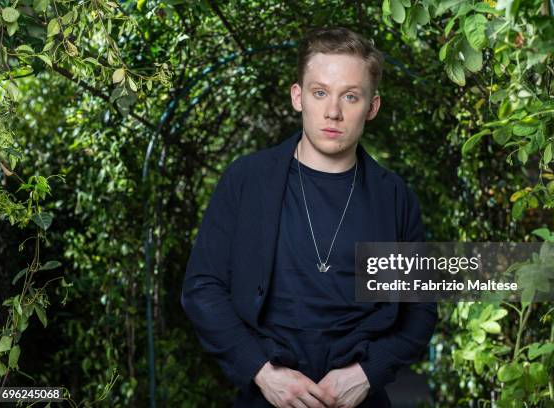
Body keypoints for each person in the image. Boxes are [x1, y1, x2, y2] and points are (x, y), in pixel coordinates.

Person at [181, 26, 438, 408]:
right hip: (266, 396)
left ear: (372, 107)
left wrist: (368, 373)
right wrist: (261, 372)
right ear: (298, 96)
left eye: (350, 96)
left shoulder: (393, 196)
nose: (333, 111)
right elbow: (202, 288)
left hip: (359, 398)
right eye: (320, 93)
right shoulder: (247, 180)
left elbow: (419, 311)